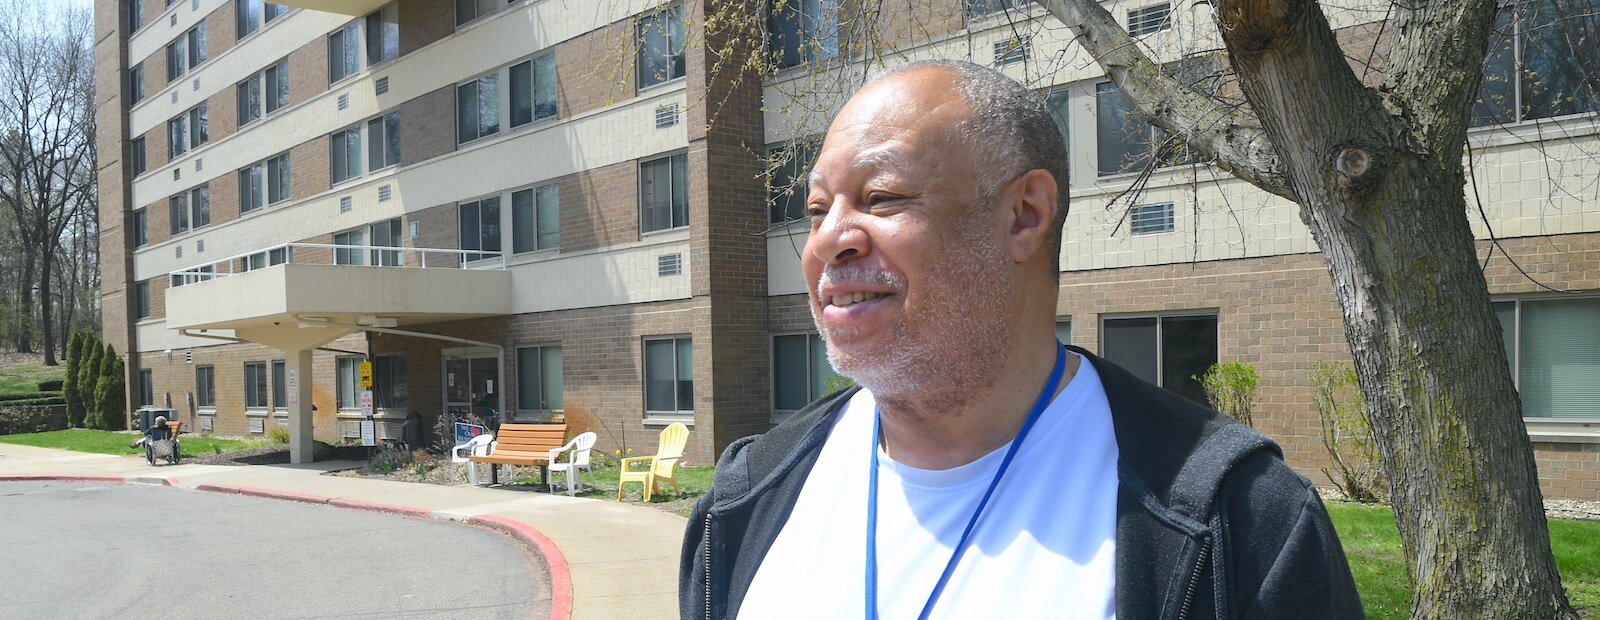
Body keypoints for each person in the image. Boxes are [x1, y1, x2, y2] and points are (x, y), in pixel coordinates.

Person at [679, 60, 1363, 619]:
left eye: (882, 197)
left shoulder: (1239, 524)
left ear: (1024, 216)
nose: (829, 240)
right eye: (819, 210)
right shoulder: (743, 501)